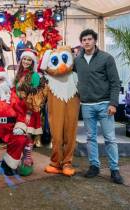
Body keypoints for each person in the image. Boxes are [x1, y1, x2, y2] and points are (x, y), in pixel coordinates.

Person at [74, 29, 123, 184]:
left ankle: (114, 170)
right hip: (87, 105)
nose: (87, 42)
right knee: (90, 138)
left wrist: (113, 103)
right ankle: (94, 166)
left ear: (95, 41)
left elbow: (115, 82)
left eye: (89, 39)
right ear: (81, 43)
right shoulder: (77, 60)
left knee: (110, 138)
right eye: (84, 40)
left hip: (104, 104)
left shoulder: (106, 58)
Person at [39, 46, 80, 177]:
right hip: (55, 106)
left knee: (70, 133)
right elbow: (42, 67)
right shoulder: (48, 79)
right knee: (56, 134)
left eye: (64, 59)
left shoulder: (75, 76)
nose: (62, 65)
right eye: (56, 61)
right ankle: (56, 162)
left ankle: (67, 162)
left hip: (72, 104)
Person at [13, 49, 47, 176]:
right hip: (18, 110)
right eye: (24, 59)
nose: (26, 62)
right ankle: (22, 159)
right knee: (20, 136)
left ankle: (27, 159)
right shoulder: (19, 74)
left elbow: (36, 97)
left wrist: (28, 110)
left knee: (27, 135)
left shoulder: (35, 75)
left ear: (33, 62)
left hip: (29, 111)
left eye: (29, 60)